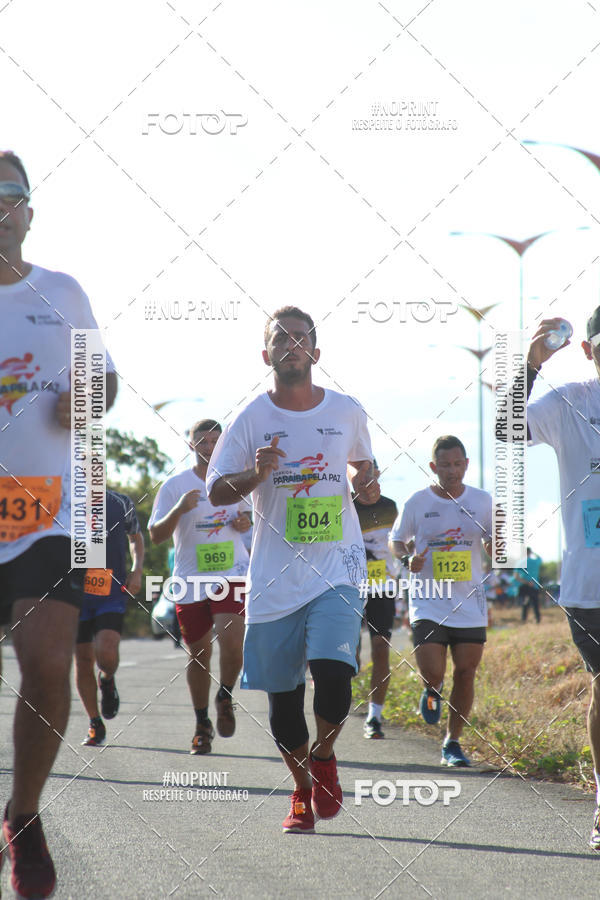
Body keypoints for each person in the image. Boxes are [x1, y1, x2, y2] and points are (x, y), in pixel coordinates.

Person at [207, 306, 380, 834]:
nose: (291, 344)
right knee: (284, 702)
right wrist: (254, 474)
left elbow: (365, 468)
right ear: (267, 354)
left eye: (300, 337)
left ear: (316, 352)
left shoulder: (347, 411)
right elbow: (216, 492)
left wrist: (367, 483)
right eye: (280, 338)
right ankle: (302, 788)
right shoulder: (250, 418)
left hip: (337, 570)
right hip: (275, 579)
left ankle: (323, 757)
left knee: (334, 676)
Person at [0, 151, 117, 898]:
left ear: (29, 212)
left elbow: (104, 377)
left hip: (47, 512)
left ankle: (23, 815)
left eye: (10, 193)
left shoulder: (62, 292)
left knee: (47, 664)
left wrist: (89, 397)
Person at [516, 311, 600, 849]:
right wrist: (530, 364)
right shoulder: (570, 403)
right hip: (591, 583)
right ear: (588, 351)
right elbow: (506, 430)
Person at [389, 435, 492, 767]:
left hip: (469, 603)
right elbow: (396, 540)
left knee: (466, 673)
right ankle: (431, 690)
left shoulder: (482, 501)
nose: (452, 471)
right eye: (445, 465)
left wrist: (495, 546)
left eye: (458, 464)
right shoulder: (418, 502)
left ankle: (452, 742)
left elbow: (496, 543)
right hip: (429, 600)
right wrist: (407, 560)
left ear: (467, 464)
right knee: (434, 673)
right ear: (433, 467)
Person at [149, 419, 250, 755]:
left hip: (232, 574)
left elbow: (251, 520)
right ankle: (202, 723)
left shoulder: (235, 481)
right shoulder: (175, 485)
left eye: (215, 442)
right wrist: (179, 509)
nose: (208, 447)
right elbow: (156, 535)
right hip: (190, 580)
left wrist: (245, 522)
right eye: (202, 441)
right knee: (199, 654)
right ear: (190, 444)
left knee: (232, 643)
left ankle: (225, 695)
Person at [76, 490, 144, 746]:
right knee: (83, 659)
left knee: (106, 652)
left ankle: (106, 678)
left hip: (111, 591)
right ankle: (94, 722)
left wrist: (137, 570)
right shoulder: (63, 500)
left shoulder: (120, 502)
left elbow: (135, 537)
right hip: (74, 592)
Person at [353, 459, 399, 739]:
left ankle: (374, 717)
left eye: (371, 474)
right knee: (351, 657)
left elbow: (401, 541)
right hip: (349, 586)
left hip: (382, 585)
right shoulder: (345, 506)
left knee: (381, 649)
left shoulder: (391, 507)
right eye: (360, 475)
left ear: (378, 474)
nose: (366, 481)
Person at [517, 547, 542, 624]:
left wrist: (526, 582)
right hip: (535, 585)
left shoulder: (520, 563)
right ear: (530, 552)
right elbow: (539, 558)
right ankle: (537, 619)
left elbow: (516, 576)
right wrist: (533, 553)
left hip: (525, 586)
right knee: (535, 604)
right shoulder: (535, 561)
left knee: (525, 603)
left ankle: (524, 619)